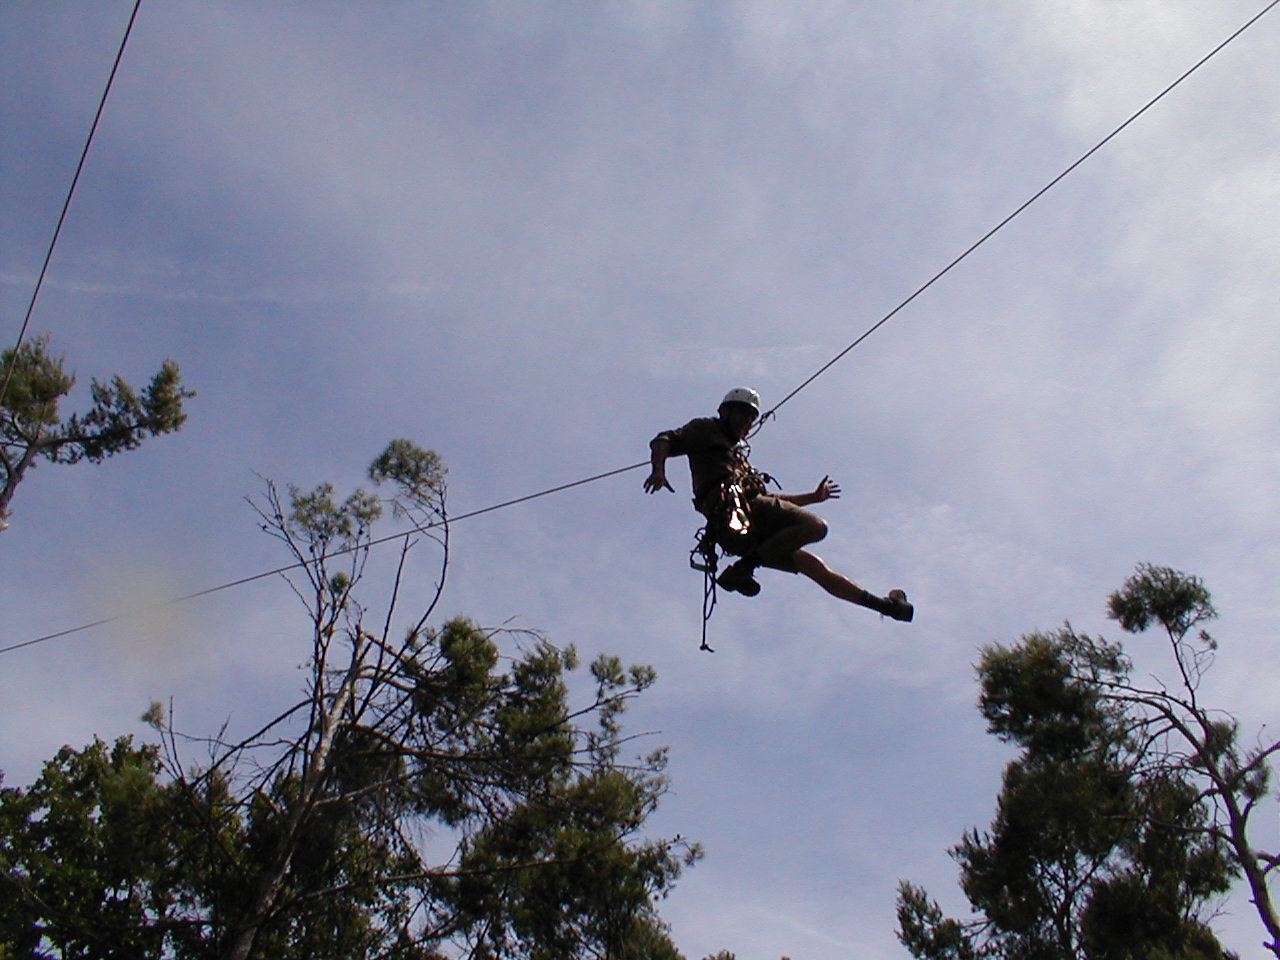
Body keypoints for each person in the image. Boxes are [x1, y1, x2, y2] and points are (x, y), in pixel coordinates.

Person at [644, 387, 913, 622]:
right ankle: (743, 569)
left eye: (751, 418)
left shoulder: (738, 460)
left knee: (812, 566)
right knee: (815, 526)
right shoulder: (705, 430)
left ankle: (886, 607)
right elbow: (664, 439)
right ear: (724, 411)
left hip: (743, 525)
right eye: (742, 415)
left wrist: (812, 497)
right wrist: (658, 471)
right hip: (734, 514)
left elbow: (770, 500)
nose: (746, 423)